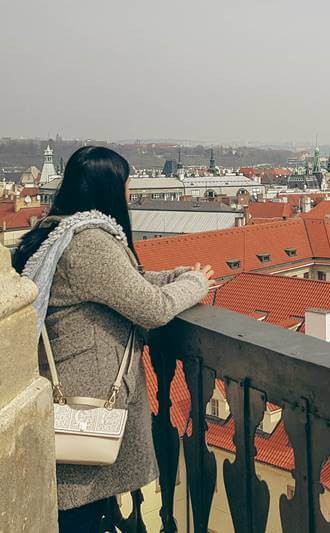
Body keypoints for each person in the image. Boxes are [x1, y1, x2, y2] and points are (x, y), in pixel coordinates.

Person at [13, 146, 213, 532]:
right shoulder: (88, 243)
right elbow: (152, 309)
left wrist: (177, 275)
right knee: (78, 514)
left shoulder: (55, 230)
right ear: (106, 190)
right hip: (84, 407)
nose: (129, 195)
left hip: (72, 395)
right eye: (125, 187)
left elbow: (124, 284)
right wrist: (197, 282)